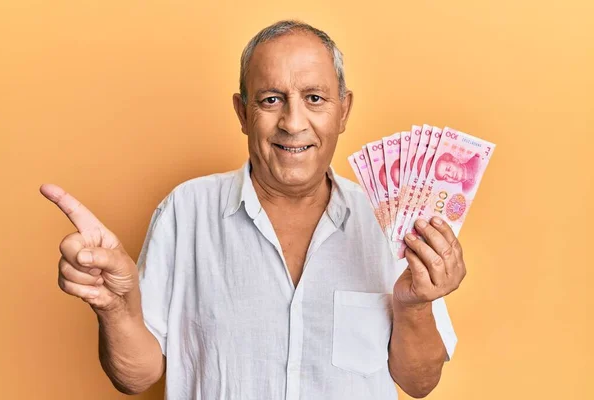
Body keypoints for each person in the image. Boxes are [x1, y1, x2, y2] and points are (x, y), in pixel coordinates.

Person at [40, 20, 466, 400]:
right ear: (243, 113)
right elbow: (137, 376)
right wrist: (116, 307)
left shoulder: (393, 225)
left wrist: (414, 306)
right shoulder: (185, 211)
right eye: (271, 100)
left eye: (315, 98)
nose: (293, 122)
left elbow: (418, 383)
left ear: (344, 111)